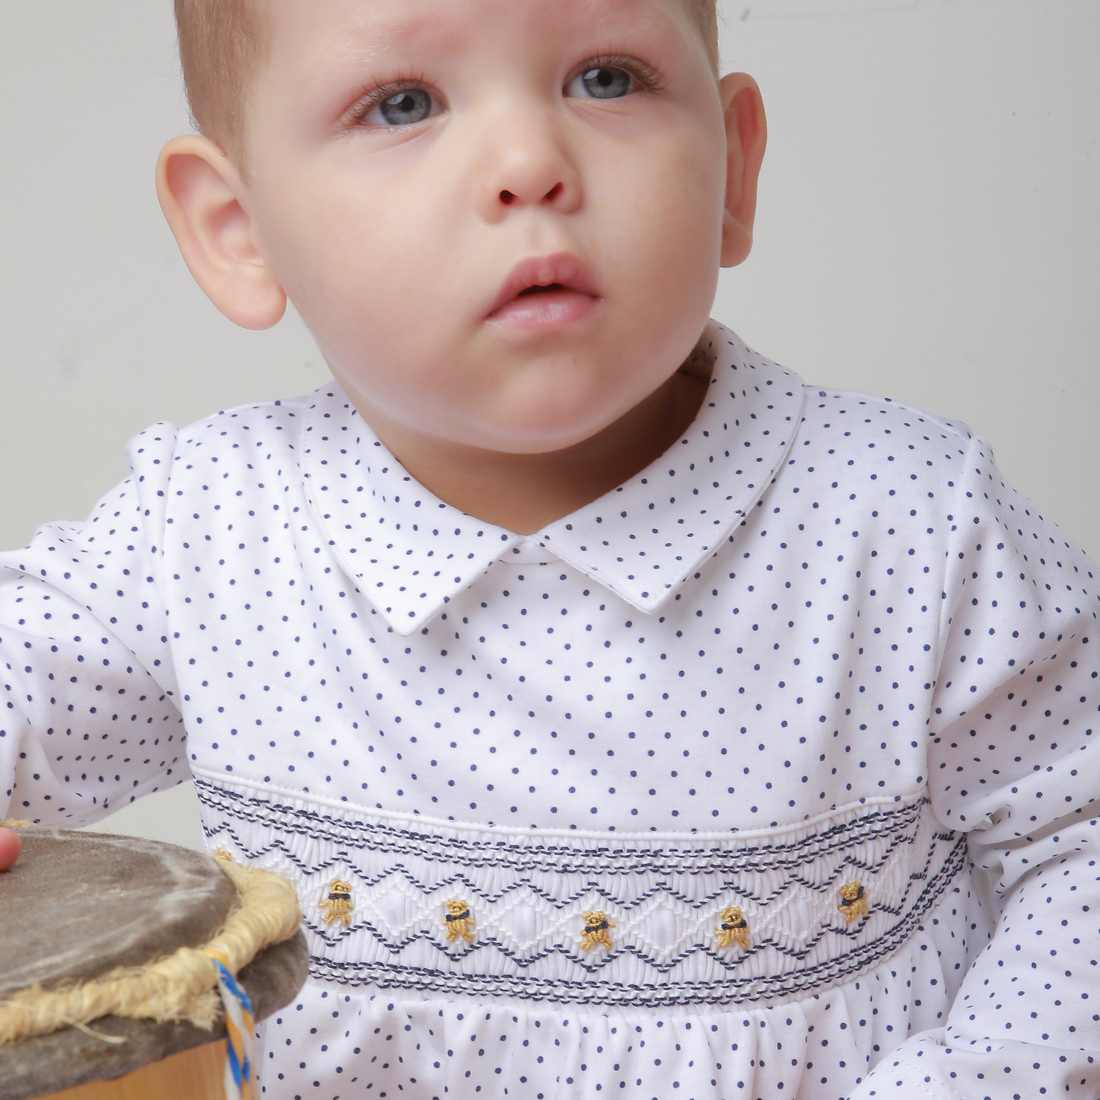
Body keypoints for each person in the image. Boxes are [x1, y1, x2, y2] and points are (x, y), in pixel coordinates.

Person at [0, 0, 1096, 1097]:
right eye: (402, 103)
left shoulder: (902, 521)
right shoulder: (212, 532)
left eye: (606, 79)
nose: (529, 162)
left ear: (731, 171)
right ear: (239, 229)